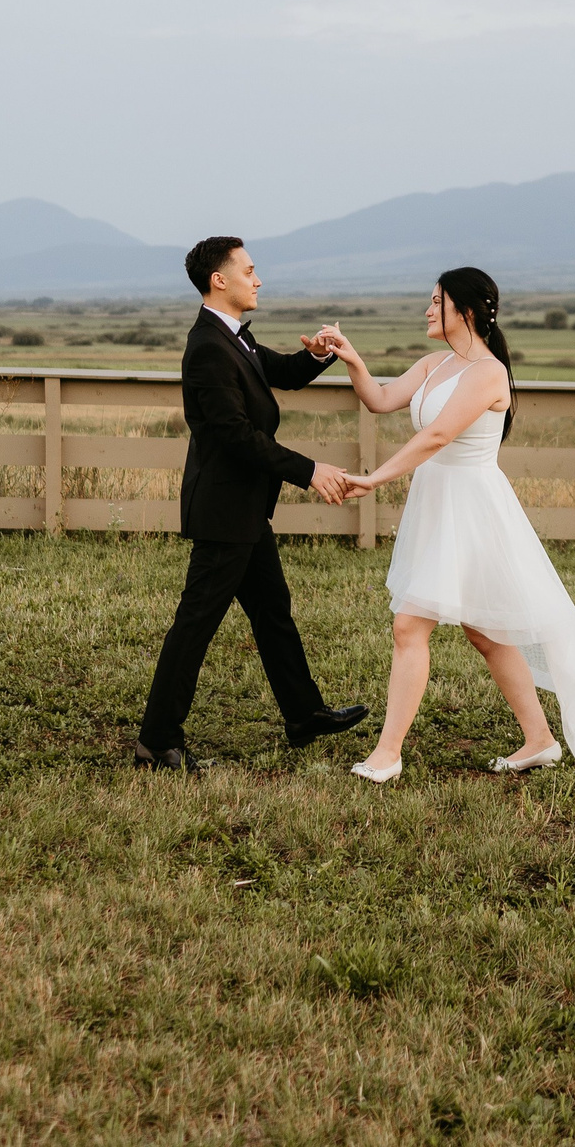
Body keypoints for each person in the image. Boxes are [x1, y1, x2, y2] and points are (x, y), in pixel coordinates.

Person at [324, 268, 575, 780]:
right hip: (438, 505)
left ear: (466, 311)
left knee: (410, 624)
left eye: (436, 301)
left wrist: (374, 479)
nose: (428, 310)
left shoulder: (488, 373)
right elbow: (381, 399)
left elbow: (439, 436)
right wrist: (353, 359)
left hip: (474, 509)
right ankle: (539, 740)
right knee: (487, 633)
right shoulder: (434, 364)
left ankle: (388, 754)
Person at [132, 236, 369, 771]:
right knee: (195, 623)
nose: (257, 279)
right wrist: (310, 471)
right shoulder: (209, 348)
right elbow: (236, 436)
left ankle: (304, 715)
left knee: (272, 613)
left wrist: (318, 356)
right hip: (223, 514)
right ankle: (157, 739)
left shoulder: (233, 337)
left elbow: (279, 372)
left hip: (244, 513)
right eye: (249, 270)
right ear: (221, 280)